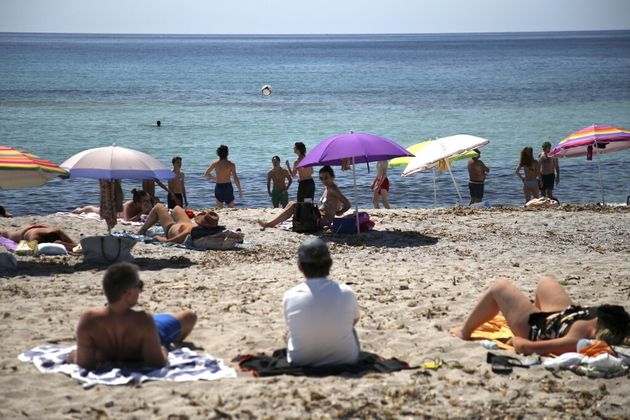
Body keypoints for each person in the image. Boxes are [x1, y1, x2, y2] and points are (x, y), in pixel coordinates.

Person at [450, 276, 630, 355]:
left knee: (500, 287)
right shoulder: (599, 323)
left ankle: (465, 332)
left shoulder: (576, 340)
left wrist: (516, 342)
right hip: (565, 316)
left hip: (534, 327)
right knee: (547, 282)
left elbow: (527, 347)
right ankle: (531, 310)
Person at [68, 262, 197, 370]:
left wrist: (74, 355)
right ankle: (176, 340)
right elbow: (157, 363)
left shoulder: (89, 319)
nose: (140, 290)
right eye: (139, 286)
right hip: (153, 330)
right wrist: (164, 351)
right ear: (128, 293)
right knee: (189, 316)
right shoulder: (143, 320)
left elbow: (84, 363)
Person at [283, 238, 360, 366]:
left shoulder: (290, 295)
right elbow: (354, 320)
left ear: (300, 266)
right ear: (330, 263)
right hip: (345, 358)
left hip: (301, 359)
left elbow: (292, 325)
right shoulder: (346, 292)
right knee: (349, 329)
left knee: (289, 333)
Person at [258, 165, 351, 230]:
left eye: (326, 177)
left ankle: (269, 224)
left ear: (332, 177)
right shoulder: (327, 188)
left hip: (321, 221)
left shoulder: (333, 189)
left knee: (294, 205)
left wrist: (339, 212)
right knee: (291, 202)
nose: (323, 180)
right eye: (321, 178)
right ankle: (275, 221)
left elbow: (347, 204)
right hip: (317, 215)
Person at [137, 203, 219, 244]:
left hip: (171, 227)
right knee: (177, 208)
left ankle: (141, 231)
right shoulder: (211, 229)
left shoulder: (190, 230)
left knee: (158, 206)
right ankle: (170, 213)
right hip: (186, 223)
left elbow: (172, 240)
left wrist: (160, 239)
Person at [73, 188, 152, 222]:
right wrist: (139, 215)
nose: (147, 203)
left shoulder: (144, 206)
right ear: (137, 203)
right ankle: (79, 210)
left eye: (148, 201)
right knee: (95, 210)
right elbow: (126, 221)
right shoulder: (128, 206)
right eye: (145, 201)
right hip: (112, 211)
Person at [0, 225, 76, 252]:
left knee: (7, 234)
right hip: (33, 230)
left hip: (31, 230)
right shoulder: (58, 231)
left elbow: (27, 250)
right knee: (6, 233)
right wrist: (66, 245)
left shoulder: (35, 234)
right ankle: (64, 244)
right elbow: (76, 247)